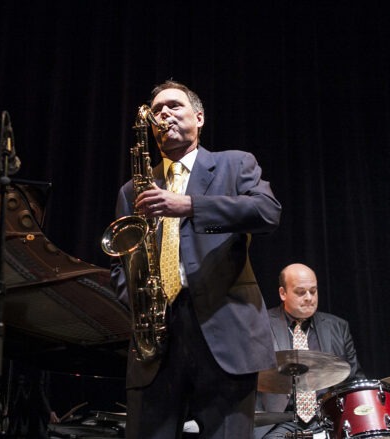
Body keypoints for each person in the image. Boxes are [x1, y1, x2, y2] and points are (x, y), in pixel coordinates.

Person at [110, 80, 282, 439]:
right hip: (155, 343)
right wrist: (142, 305)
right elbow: (121, 263)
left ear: (199, 118)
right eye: (157, 110)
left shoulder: (234, 164)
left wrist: (189, 206)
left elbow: (267, 212)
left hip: (226, 337)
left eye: (174, 106)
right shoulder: (133, 189)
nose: (164, 114)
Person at [254, 263, 365, 439]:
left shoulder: (338, 327)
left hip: (328, 419)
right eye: (300, 292)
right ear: (283, 293)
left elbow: (354, 381)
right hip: (280, 422)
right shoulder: (261, 325)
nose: (309, 298)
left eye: (313, 291)